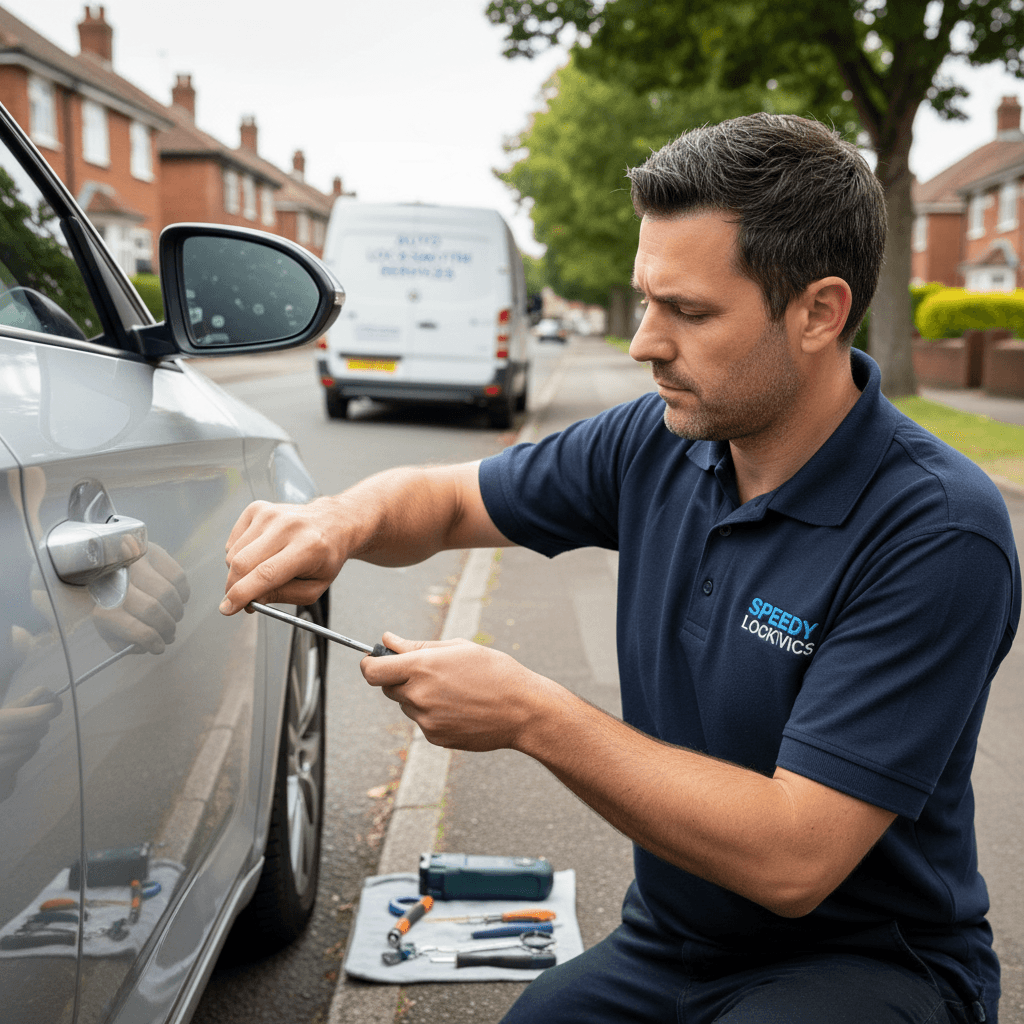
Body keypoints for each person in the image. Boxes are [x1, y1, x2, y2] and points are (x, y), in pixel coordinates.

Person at [220, 114, 1020, 1024]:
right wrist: (339, 519)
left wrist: (531, 713)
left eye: (688, 311)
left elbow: (795, 859)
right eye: (646, 300)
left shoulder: (939, 530)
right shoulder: (657, 439)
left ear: (819, 312)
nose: (645, 342)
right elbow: (444, 503)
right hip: (671, 943)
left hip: (869, 965)